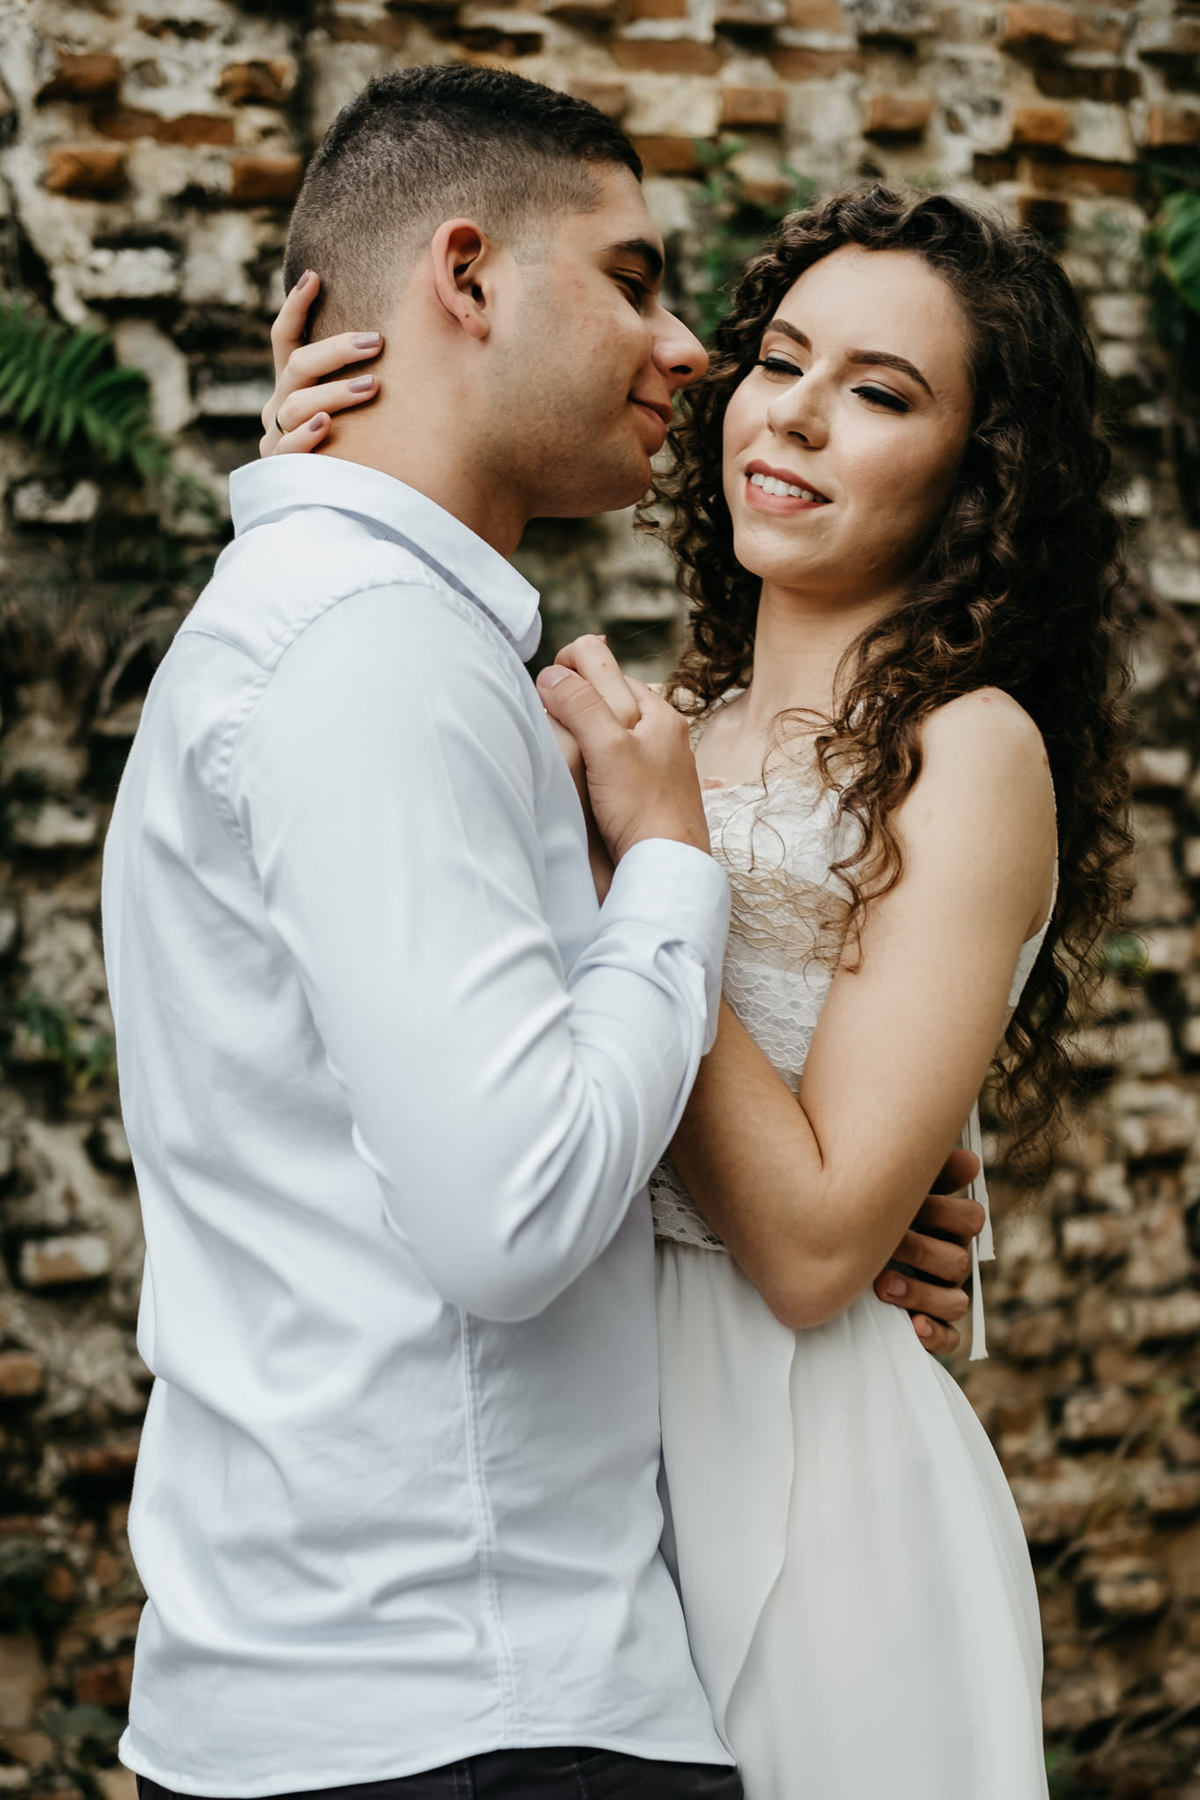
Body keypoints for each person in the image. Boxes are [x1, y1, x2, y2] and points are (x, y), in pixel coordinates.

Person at [104, 67, 982, 1800]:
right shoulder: (374, 650)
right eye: (636, 281)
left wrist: (889, 1183)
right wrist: (666, 875)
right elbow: (513, 1211)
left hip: (526, 1635)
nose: (695, 358)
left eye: (876, 390)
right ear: (465, 277)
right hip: (465, 1695)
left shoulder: (385, 635)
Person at [269, 179, 1130, 1798]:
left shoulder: (968, 751)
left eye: (879, 394)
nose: (792, 415)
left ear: (981, 476)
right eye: (780, 362)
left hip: (808, 1459)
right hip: (576, 1454)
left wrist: (645, 869)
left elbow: (810, 1249)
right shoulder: (655, 727)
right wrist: (328, 483)